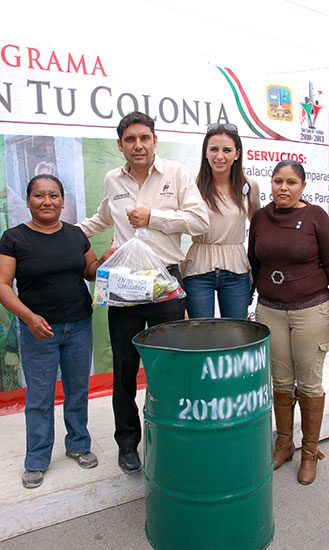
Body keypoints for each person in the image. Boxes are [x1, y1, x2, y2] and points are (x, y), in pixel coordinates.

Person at [77, 111, 209, 474]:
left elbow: (200, 221)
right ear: (120, 145)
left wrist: (154, 217)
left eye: (144, 138)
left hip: (166, 281)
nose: (138, 145)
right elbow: (102, 218)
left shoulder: (177, 175)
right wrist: (61, 231)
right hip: (124, 283)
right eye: (130, 139)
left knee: (169, 368)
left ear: (155, 140)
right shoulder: (111, 180)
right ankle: (128, 445)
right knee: (124, 368)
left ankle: (170, 438)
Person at [0, 174, 113, 489]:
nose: (46, 201)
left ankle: (78, 443)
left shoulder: (75, 235)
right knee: (39, 397)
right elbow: (2, 285)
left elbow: (89, 272)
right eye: (39, 196)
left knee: (77, 390)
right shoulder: (14, 238)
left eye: (53, 195)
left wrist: (102, 262)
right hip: (39, 330)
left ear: (63, 200)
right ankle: (36, 459)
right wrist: (28, 317)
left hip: (78, 325)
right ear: (28, 201)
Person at [248, 159, 329, 485]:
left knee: (308, 384)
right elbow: (253, 261)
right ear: (272, 183)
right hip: (271, 311)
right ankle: (284, 443)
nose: (283, 188)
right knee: (280, 382)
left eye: (291, 182)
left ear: (303, 186)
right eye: (278, 181)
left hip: (312, 310)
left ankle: (309, 451)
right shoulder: (261, 217)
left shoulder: (315, 216)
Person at [181, 123, 260, 318]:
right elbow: (176, 222)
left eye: (227, 150)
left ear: (237, 154)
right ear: (205, 153)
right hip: (198, 268)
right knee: (202, 335)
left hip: (236, 269)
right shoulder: (192, 185)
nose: (220, 156)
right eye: (214, 149)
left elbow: (260, 227)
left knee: (236, 334)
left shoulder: (249, 185)